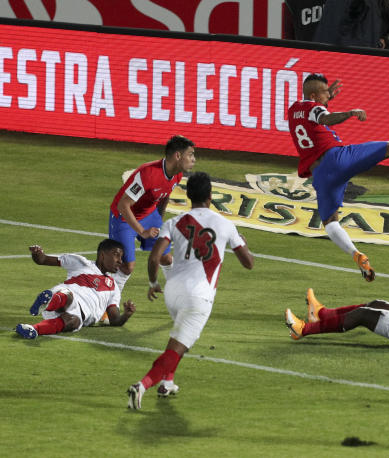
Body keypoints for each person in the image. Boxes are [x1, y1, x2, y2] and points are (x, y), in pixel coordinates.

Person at [288, 73, 389, 282]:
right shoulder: (313, 109)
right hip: (337, 159)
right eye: (325, 92)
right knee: (387, 147)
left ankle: (356, 255)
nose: (328, 94)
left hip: (321, 176)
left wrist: (327, 99)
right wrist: (350, 112)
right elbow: (324, 117)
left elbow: (313, 115)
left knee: (331, 222)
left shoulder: (294, 110)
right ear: (314, 95)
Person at [126, 172, 254, 410]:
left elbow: (155, 257)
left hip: (173, 292)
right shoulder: (225, 224)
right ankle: (141, 386)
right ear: (211, 196)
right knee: (177, 348)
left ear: (188, 195)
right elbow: (249, 263)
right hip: (198, 296)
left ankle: (168, 382)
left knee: (179, 340)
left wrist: (154, 283)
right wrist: (242, 243)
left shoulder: (174, 222)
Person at [109, 135, 196, 293]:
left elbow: (164, 195)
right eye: (190, 154)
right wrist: (142, 231)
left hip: (149, 215)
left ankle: (179, 292)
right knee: (127, 266)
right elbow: (123, 205)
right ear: (178, 155)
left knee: (166, 257)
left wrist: (158, 221)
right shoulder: (147, 174)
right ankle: (107, 304)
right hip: (124, 217)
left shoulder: (177, 174)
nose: (193, 159)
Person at [14, 239, 136, 339]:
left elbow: (115, 320)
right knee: (68, 297)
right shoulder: (81, 263)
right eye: (116, 255)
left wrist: (126, 315)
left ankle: (33, 329)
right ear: (102, 255)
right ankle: (48, 302)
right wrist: (37, 253)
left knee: (73, 322)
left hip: (79, 314)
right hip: (64, 295)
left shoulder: (113, 287)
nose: (120, 261)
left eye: (121, 257)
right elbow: (43, 259)